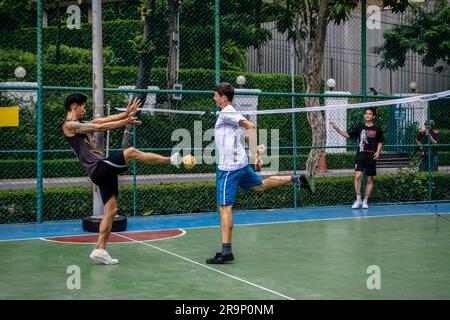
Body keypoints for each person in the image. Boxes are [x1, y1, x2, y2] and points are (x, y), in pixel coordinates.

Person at [62, 93, 181, 265]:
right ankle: (170, 160)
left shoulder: (79, 123)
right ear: (74, 106)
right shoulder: (69, 126)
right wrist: (124, 122)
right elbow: (99, 127)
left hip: (101, 171)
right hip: (99, 168)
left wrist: (125, 114)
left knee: (110, 210)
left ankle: (100, 249)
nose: (85, 109)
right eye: (83, 106)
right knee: (131, 152)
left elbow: (102, 121)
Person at [207, 82, 316, 264]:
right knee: (260, 186)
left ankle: (226, 251)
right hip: (241, 164)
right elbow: (244, 134)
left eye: (215, 95)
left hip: (229, 169)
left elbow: (250, 126)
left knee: (224, 208)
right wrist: (255, 154)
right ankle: (296, 178)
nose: (214, 97)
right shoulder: (231, 113)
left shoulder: (227, 112)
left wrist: (255, 153)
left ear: (223, 98)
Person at [330, 107, 384, 209]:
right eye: (366, 113)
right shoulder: (359, 127)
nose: (367, 115)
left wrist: (378, 152)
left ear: (373, 116)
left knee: (369, 179)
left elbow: (380, 142)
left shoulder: (377, 128)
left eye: (369, 114)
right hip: (360, 156)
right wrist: (336, 128)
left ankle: (365, 200)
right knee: (358, 176)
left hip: (371, 157)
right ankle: (358, 199)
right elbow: (347, 135)